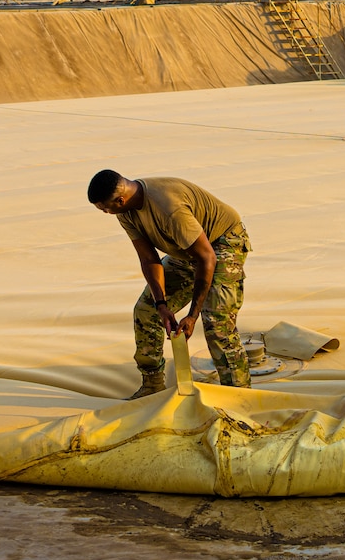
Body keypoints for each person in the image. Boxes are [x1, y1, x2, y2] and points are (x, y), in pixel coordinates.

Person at [88, 169, 251, 399]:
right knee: (147, 312)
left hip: (221, 243)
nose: (106, 213)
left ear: (120, 200)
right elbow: (148, 259)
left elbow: (206, 258)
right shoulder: (125, 211)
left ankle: (240, 397)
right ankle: (152, 384)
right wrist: (161, 304)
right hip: (185, 249)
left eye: (105, 208)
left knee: (217, 323)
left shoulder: (168, 207)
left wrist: (192, 315)